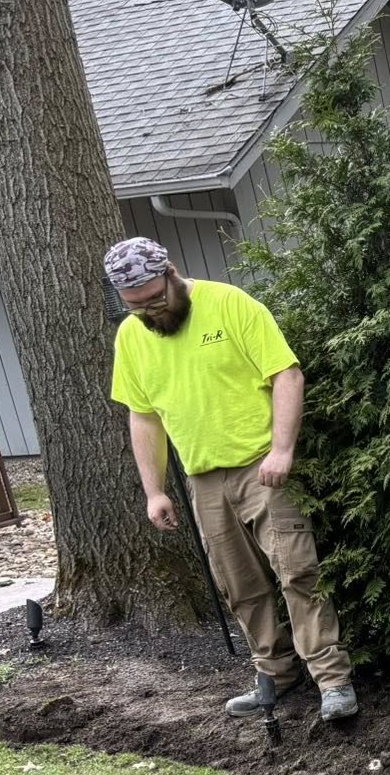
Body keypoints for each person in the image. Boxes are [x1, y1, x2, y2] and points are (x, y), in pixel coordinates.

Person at [104, 237, 358, 722]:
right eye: (135, 306)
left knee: (298, 572)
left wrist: (282, 450)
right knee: (239, 585)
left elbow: (286, 375)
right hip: (203, 478)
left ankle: (332, 680)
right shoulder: (132, 337)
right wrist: (154, 490)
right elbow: (144, 416)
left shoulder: (229, 303)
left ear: (171, 273)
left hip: (261, 467)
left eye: (155, 299)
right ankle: (275, 675)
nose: (150, 312)